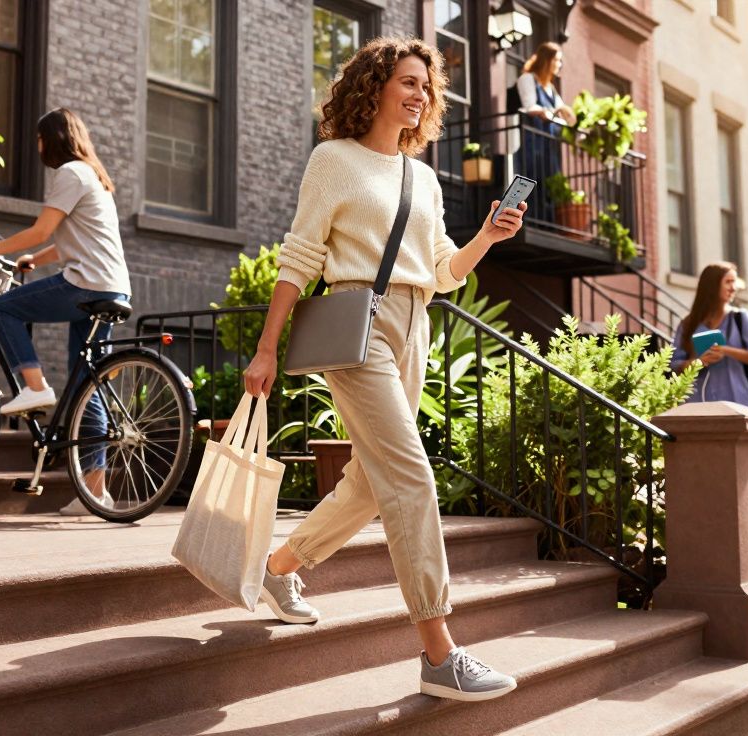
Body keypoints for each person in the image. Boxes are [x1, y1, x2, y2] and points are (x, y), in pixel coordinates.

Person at [241, 37, 525, 702]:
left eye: (426, 85)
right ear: (374, 85)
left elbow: (444, 272)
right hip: (354, 324)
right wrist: (265, 348)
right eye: (407, 80)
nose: (420, 94)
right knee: (409, 476)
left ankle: (278, 566)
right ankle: (438, 652)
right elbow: (300, 255)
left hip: (414, 324)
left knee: (371, 484)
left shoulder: (422, 177)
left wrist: (487, 237)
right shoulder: (333, 160)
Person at [0, 107, 131, 516]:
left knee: (2, 307)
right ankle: (96, 492)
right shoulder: (95, 177)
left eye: (38, 138)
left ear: (50, 139)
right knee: (86, 386)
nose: (37, 146)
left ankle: (33, 387)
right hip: (111, 286)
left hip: (85, 284)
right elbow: (77, 238)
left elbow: (40, 228)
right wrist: (37, 258)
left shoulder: (69, 173)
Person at [670, 262, 748, 405]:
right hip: (696, 403)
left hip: (737, 402)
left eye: (734, 282)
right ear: (712, 285)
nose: (733, 288)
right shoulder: (688, 323)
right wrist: (699, 362)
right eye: (728, 282)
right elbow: (673, 364)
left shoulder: (740, 317)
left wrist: (724, 350)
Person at [512, 42, 575, 192]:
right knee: (532, 180)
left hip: (549, 146)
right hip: (532, 143)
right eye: (556, 60)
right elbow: (530, 105)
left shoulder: (551, 89)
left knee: (549, 185)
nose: (559, 64)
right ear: (546, 60)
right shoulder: (527, 79)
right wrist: (547, 112)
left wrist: (568, 114)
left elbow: (567, 117)